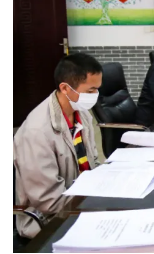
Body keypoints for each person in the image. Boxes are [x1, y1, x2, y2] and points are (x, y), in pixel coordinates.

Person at [14, 53, 103, 238]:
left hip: (82, 200)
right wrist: (93, 202)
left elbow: (92, 161)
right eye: (90, 91)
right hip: (49, 219)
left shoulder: (81, 113)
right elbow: (48, 201)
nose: (96, 96)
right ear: (65, 88)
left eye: (97, 90)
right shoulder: (37, 131)